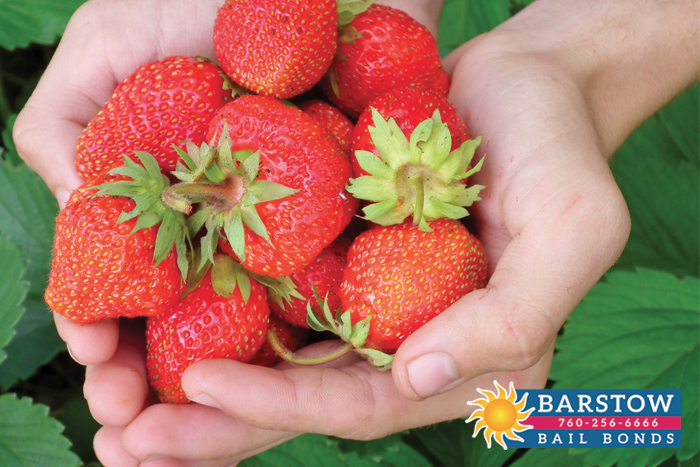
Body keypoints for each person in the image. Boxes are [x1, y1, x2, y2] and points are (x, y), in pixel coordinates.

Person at [13, 0, 698, 464]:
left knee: (568, 417)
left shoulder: (265, 189)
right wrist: (566, 63)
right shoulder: (259, 199)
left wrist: (568, 67)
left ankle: (610, 419)